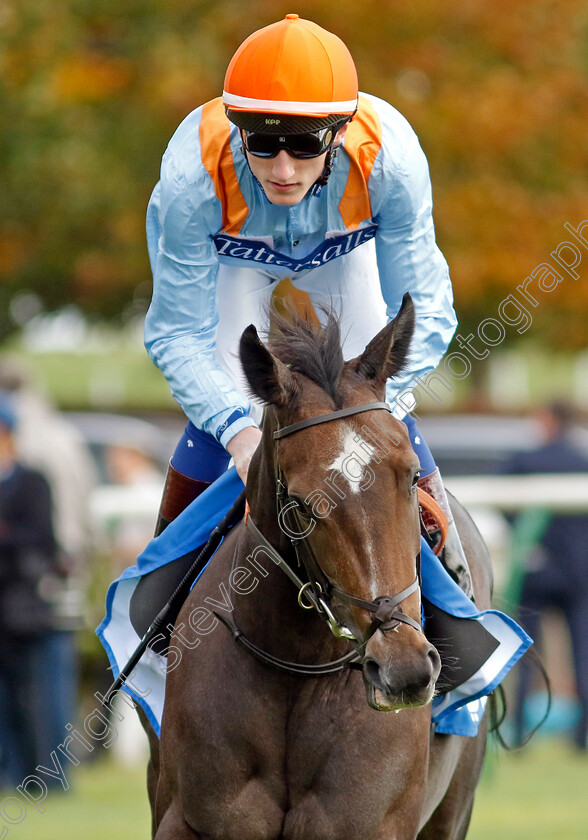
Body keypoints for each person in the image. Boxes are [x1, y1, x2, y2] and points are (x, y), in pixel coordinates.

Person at [143, 13, 473, 598]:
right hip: (232, 262)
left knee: (374, 402)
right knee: (227, 401)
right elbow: (178, 337)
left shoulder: (388, 161)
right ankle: (161, 607)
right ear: (236, 128)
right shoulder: (191, 177)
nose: (283, 169)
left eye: (302, 144)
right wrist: (241, 436)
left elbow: (425, 311)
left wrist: (370, 412)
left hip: (346, 254)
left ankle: (452, 591)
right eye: (262, 144)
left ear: (341, 132)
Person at [498, 401, 588, 750]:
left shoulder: (527, 459)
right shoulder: (581, 460)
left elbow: (497, 494)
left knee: (525, 656)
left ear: (549, 420)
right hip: (579, 574)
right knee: (582, 655)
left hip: (535, 571)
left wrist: (522, 532)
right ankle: (581, 739)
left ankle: (518, 734)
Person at [0, 394, 68, 787]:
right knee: (6, 700)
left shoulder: (31, 480)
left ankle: (48, 777)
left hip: (26, 606)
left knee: (40, 698)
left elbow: (42, 538)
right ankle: (13, 773)